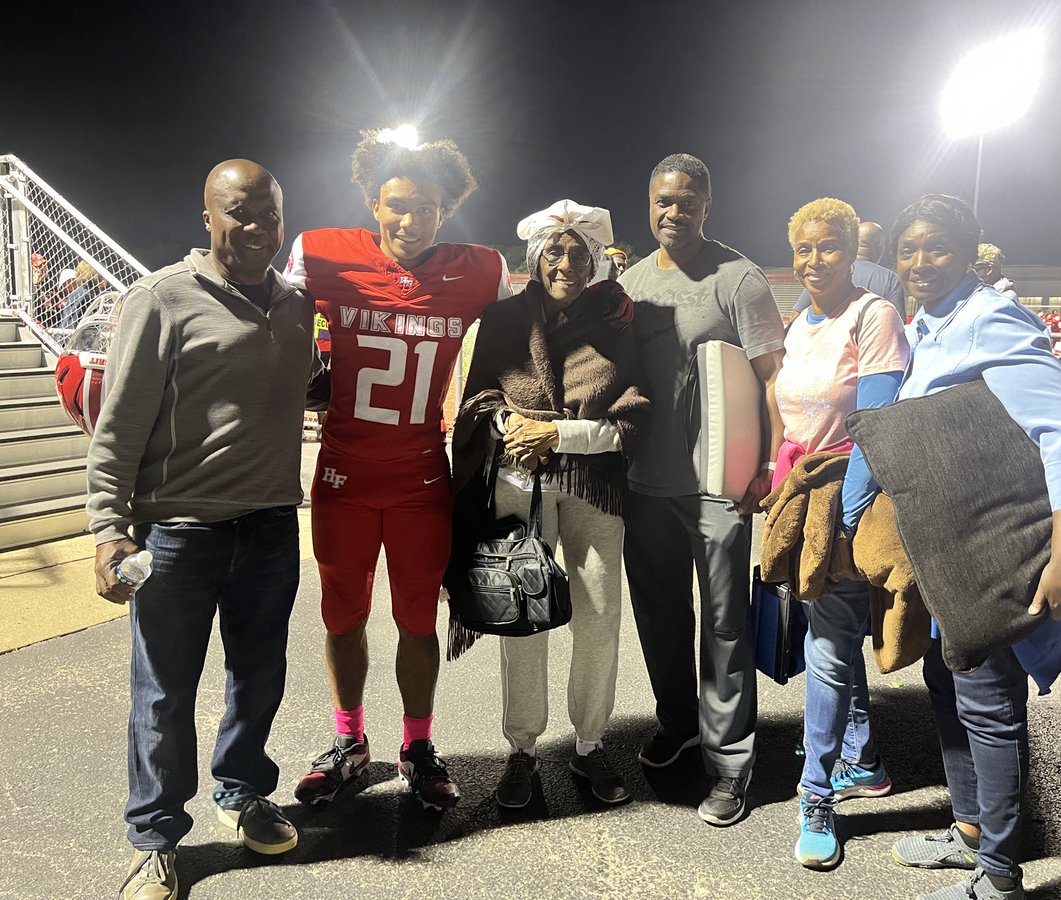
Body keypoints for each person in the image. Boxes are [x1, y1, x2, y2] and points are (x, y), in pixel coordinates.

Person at [89, 160, 316, 900]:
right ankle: (153, 838)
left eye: (270, 216)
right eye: (239, 213)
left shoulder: (293, 304)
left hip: (272, 530)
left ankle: (241, 792)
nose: (257, 229)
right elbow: (117, 428)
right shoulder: (160, 299)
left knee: (258, 679)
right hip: (177, 535)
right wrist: (107, 530)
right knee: (163, 695)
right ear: (207, 217)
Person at [887, 194, 1061, 900]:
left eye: (936, 247)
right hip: (950, 553)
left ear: (966, 250)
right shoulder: (928, 324)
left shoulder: (988, 315)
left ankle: (999, 877)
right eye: (908, 249)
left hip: (992, 553)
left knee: (988, 704)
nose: (920, 262)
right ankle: (969, 834)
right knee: (946, 682)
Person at [284, 134, 510, 812]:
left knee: (417, 621)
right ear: (372, 202)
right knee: (343, 616)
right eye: (398, 206)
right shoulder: (324, 252)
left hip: (419, 478)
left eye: (428, 208)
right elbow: (274, 329)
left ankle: (417, 745)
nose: (411, 222)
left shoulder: (478, 269)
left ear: (447, 210)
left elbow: (529, 329)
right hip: (343, 478)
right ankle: (350, 741)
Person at [452, 200, 649, 809]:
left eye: (578, 253)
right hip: (519, 480)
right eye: (554, 252)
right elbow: (481, 395)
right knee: (523, 614)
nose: (565, 262)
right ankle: (523, 749)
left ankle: (589, 746)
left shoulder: (619, 323)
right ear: (535, 258)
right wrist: (512, 422)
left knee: (599, 616)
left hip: (595, 486)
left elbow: (634, 419)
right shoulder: (502, 318)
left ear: (595, 261)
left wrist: (557, 435)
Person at [619, 153, 785, 826]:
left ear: (706, 205)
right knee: (659, 617)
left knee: (723, 624)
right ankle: (679, 724)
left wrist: (770, 465)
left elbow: (772, 379)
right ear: (648, 203)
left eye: (686, 201)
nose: (673, 212)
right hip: (644, 485)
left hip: (719, 482)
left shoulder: (738, 279)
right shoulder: (628, 282)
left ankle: (730, 762)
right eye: (662, 201)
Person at [774, 199, 909, 869]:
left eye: (828, 247)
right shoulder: (800, 322)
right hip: (803, 505)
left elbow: (877, 428)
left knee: (828, 650)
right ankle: (867, 761)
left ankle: (816, 796)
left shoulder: (873, 315)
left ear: (853, 252)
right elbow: (792, 424)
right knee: (832, 640)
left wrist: (851, 520)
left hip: (847, 504)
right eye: (803, 248)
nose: (813, 260)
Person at [794, 220, 905, 316]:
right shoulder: (890, 279)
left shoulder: (824, 274)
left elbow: (796, 316)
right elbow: (899, 326)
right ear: (879, 246)